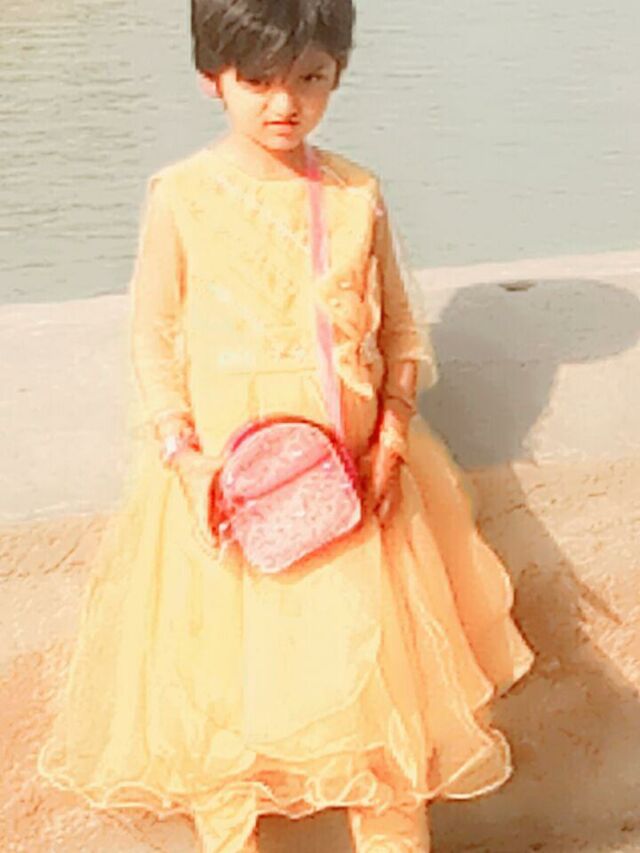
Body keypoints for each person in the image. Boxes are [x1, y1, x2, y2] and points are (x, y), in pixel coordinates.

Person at [37, 1, 536, 850]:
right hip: (224, 493)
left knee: (383, 716)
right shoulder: (183, 196)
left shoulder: (354, 194)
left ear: (338, 73)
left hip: (352, 485)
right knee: (222, 723)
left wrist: (390, 435)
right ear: (213, 78)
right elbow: (153, 338)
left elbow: (399, 330)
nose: (284, 104)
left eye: (310, 79)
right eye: (259, 80)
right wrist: (185, 457)